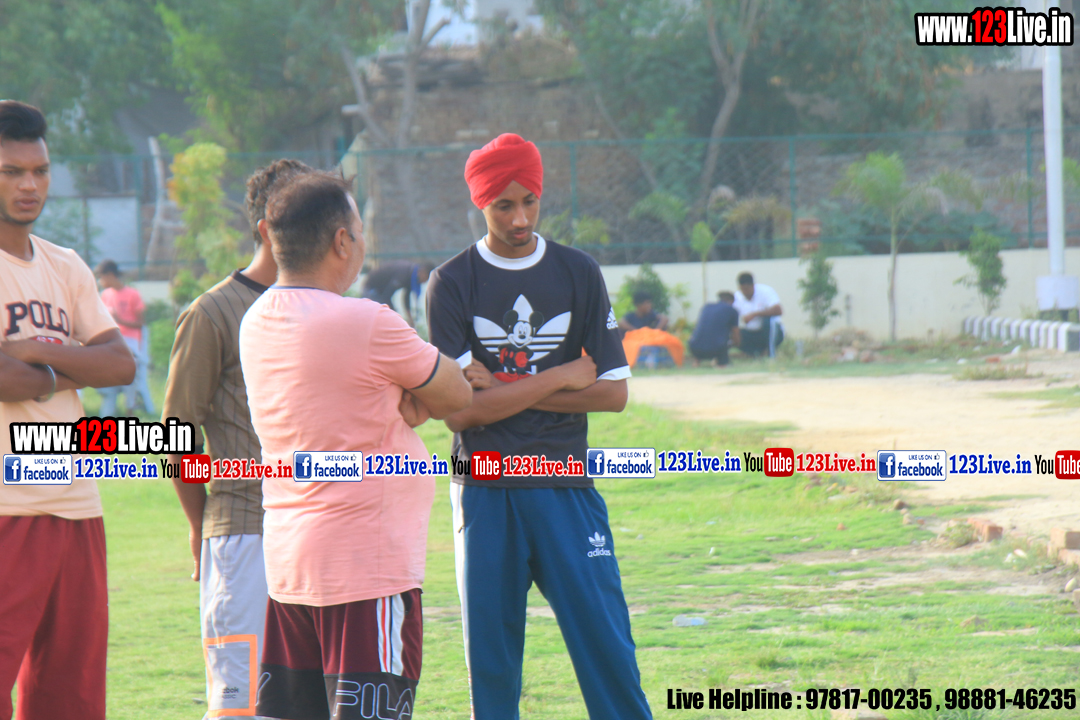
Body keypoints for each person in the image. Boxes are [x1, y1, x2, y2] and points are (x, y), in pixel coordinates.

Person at [426, 133, 652, 720]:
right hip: (485, 489)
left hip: (565, 484)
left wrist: (500, 388)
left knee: (608, 648)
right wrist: (561, 377)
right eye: (503, 205)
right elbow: (460, 413)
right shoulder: (451, 283)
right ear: (480, 202)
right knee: (493, 667)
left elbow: (613, 394)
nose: (520, 219)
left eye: (529, 201)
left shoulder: (578, 272)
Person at [238, 172, 470, 720]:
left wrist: (401, 396)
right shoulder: (365, 321)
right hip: (366, 568)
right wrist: (410, 396)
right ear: (342, 241)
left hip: (291, 568)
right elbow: (457, 394)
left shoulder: (255, 320)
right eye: (360, 230)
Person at [161, 158, 312, 720]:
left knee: (310, 701)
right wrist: (200, 525)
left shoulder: (326, 309)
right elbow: (175, 433)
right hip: (244, 532)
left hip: (317, 531)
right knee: (241, 703)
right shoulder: (212, 313)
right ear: (268, 228)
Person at [0, 100, 135, 720]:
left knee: (72, 696)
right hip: (8, 507)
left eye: (40, 171)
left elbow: (121, 364)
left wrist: (34, 355)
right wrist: (73, 364)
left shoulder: (66, 265)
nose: (29, 185)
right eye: (11, 172)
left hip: (78, 502)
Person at [95, 259, 155, 416]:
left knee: (130, 373)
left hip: (130, 342)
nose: (100, 281)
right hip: (111, 341)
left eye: (101, 277)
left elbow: (141, 323)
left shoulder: (132, 294)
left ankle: (130, 411)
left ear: (110, 275)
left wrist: (120, 320)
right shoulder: (105, 295)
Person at [360, 259, 435, 326]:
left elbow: (406, 298)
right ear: (423, 272)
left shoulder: (411, 273)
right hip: (372, 288)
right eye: (427, 278)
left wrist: (410, 319)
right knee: (376, 320)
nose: (425, 281)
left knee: (389, 317)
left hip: (381, 292)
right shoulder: (403, 274)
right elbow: (386, 296)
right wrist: (396, 316)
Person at [733, 271, 784, 357]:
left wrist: (755, 314)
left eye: (747, 289)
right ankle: (754, 354)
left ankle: (770, 353)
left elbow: (778, 310)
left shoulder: (765, 291)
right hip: (750, 333)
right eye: (743, 290)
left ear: (753, 286)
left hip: (768, 332)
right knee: (735, 331)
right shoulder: (737, 296)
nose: (745, 292)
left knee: (769, 320)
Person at [688, 290, 740, 367]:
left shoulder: (707, 307)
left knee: (706, 338)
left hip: (694, 348)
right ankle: (722, 363)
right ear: (732, 301)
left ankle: (696, 361)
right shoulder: (732, 310)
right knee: (724, 340)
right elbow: (735, 332)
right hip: (716, 349)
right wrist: (737, 344)